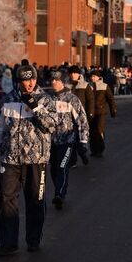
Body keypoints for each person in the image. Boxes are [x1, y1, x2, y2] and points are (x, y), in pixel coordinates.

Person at [0, 64, 56, 256]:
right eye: (26, 79)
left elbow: (51, 126)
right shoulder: (6, 101)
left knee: (35, 201)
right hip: (10, 160)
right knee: (6, 200)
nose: (30, 83)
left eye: (32, 79)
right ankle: (9, 243)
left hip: (36, 160)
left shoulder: (45, 100)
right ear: (19, 81)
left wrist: (35, 106)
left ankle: (33, 240)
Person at [48, 70, 90, 208]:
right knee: (53, 170)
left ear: (63, 82)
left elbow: (82, 120)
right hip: (51, 142)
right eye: (52, 79)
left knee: (62, 167)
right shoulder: (47, 99)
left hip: (67, 141)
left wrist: (83, 141)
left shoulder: (72, 99)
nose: (53, 82)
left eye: (57, 80)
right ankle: (58, 190)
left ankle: (59, 194)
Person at [89, 68, 117, 158]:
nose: (92, 78)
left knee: (99, 130)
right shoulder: (89, 86)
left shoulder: (104, 86)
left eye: (94, 76)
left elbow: (111, 99)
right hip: (91, 112)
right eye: (91, 76)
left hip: (101, 112)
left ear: (98, 77)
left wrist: (113, 110)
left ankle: (100, 150)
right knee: (92, 132)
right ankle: (93, 150)